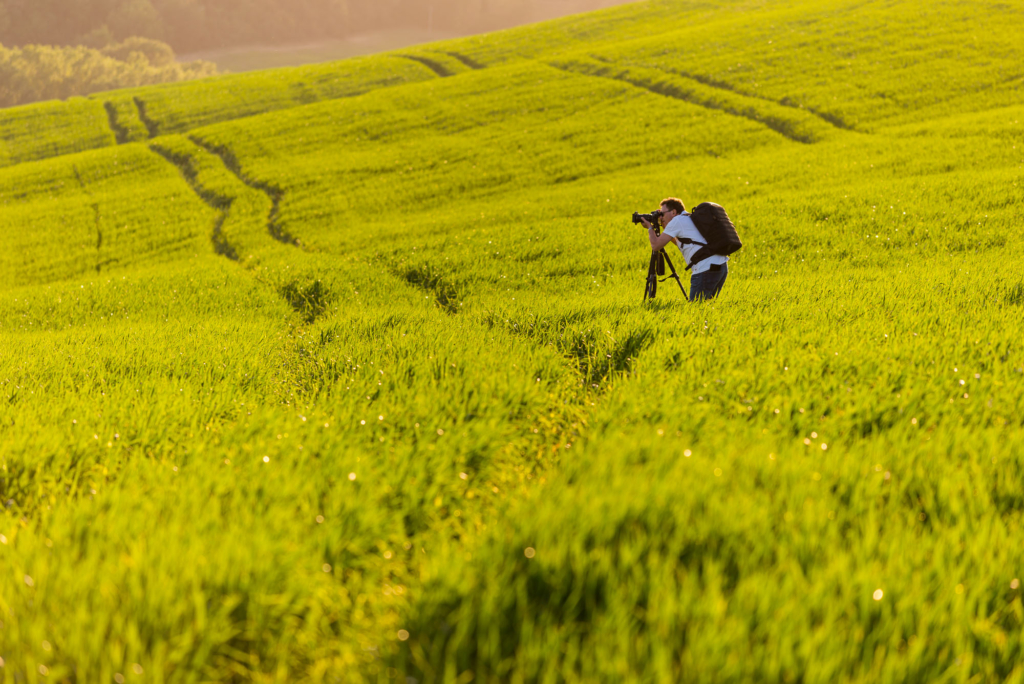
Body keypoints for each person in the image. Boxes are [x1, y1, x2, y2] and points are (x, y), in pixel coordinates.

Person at [640, 197, 729, 301]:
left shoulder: (677, 221)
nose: (661, 217)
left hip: (705, 270)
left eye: (662, 214)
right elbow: (680, 243)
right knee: (707, 307)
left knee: (696, 310)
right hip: (720, 267)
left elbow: (656, 246)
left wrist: (649, 227)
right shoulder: (690, 218)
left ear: (673, 212)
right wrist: (663, 224)